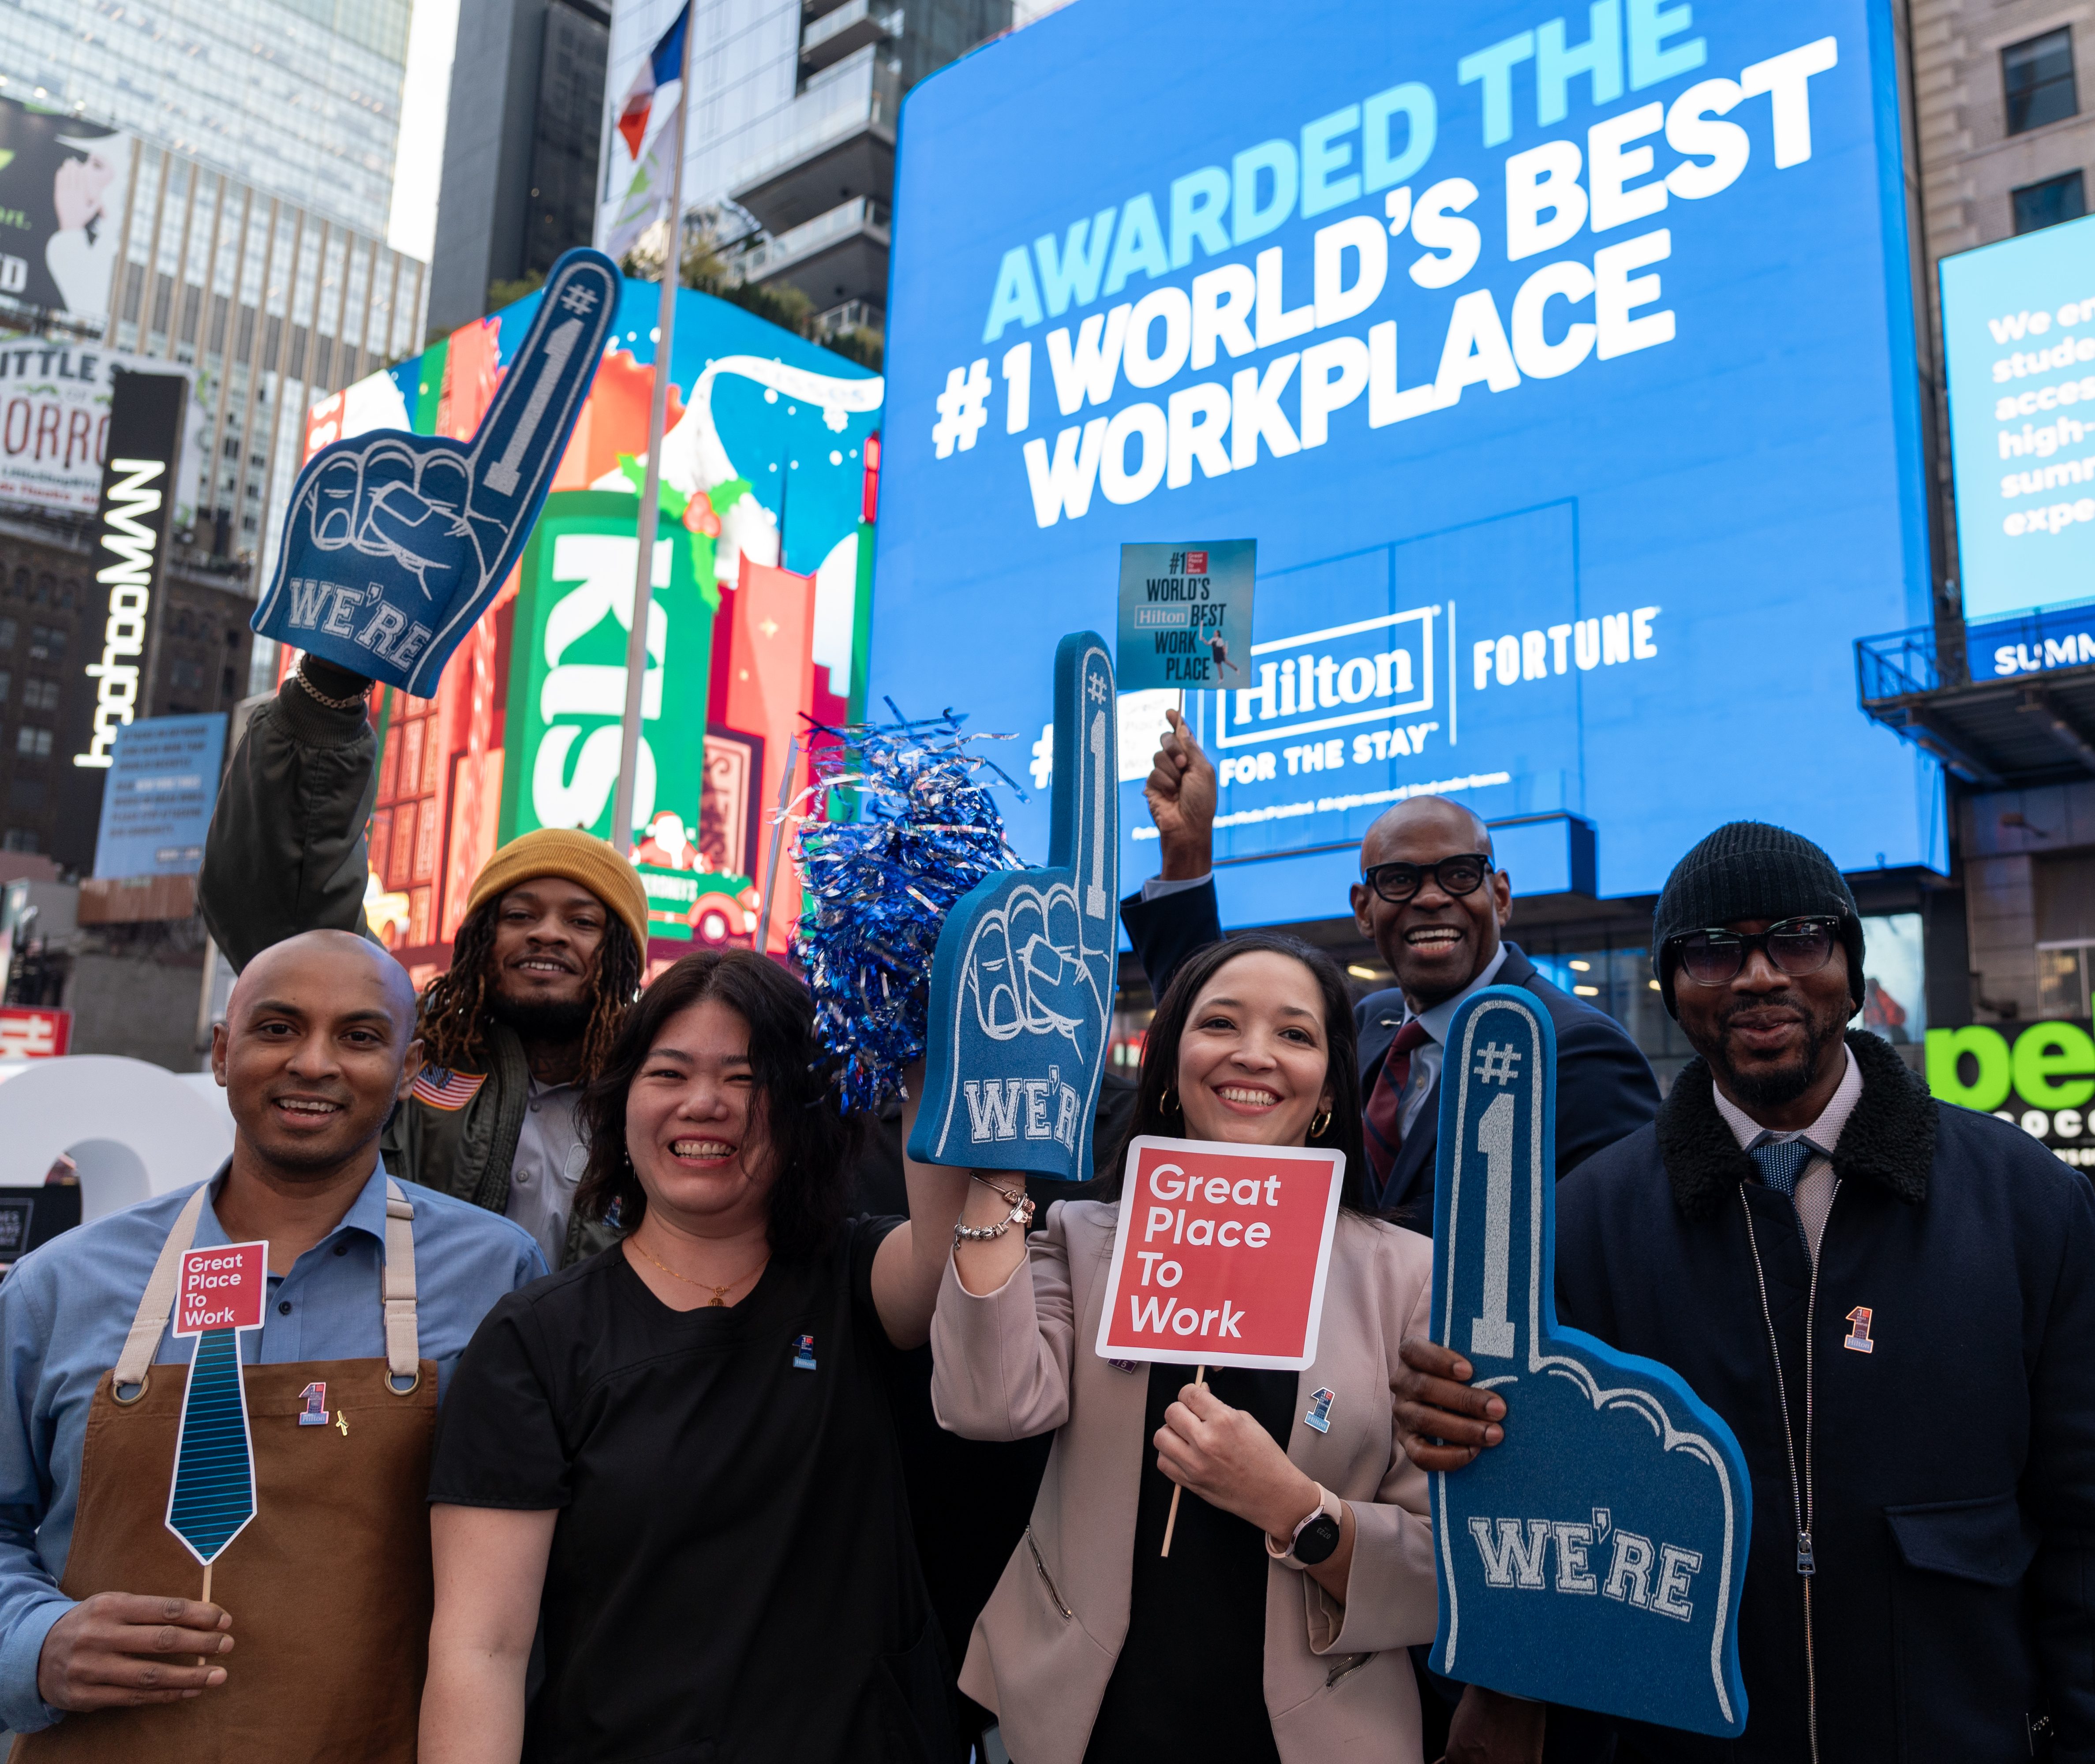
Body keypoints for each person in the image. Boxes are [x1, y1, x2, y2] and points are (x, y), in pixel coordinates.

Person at [1396, 822, 2095, 1762]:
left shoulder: (2027, 1201)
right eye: (1714, 952)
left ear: (1848, 968)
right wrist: (1458, 1426)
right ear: (1672, 990)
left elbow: (2081, 1514)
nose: (1759, 975)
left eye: (1798, 939)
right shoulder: (1579, 1226)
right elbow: (1532, 1522)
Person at [417, 949, 973, 1763]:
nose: (705, 1105)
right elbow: (482, 1649)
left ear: (805, 1106)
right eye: (670, 1074)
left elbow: (943, 1255)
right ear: (623, 1101)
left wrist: (920, 1012)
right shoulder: (534, 1341)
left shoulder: (856, 1282)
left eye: (747, 1079)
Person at [0, 930, 545, 1757]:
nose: (314, 1063)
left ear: (408, 1069)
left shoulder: (496, 1275)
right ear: (223, 1052)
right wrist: (31, 1642)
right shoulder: (60, 1286)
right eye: (278, 1028)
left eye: (360, 1037)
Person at [931, 932, 1439, 1764]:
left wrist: (1293, 1507)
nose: (1254, 1055)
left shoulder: (1406, 1276)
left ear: (1325, 1087)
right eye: (1221, 1024)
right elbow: (987, 1405)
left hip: (1314, 1734)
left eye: (1295, 1034)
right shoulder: (1081, 1238)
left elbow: (1442, 1570)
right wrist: (1002, 1167)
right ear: (1169, 1065)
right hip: (1086, 1726)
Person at [199, 654, 653, 1267]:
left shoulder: (658, 1086)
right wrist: (327, 699)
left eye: (581, 921)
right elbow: (292, 906)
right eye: (518, 916)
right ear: (477, 944)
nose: (547, 935)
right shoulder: (406, 1052)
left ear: (621, 956)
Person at [1122, 711, 1658, 1225]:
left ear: (1500, 897)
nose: (1430, 898)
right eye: (1399, 879)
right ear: (1362, 908)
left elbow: (1613, 1254)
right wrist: (1187, 852)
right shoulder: (1367, 1022)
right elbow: (1215, 1022)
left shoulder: (1573, 1049)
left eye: (1459, 874)